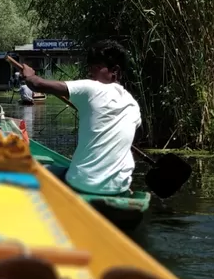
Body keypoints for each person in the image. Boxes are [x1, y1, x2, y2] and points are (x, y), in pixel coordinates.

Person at [20, 40, 140, 195]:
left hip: (81, 184)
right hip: (119, 187)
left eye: (96, 67)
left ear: (114, 71)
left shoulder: (92, 88)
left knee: (33, 170)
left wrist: (30, 75)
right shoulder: (133, 105)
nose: (90, 72)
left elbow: (37, 84)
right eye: (90, 67)